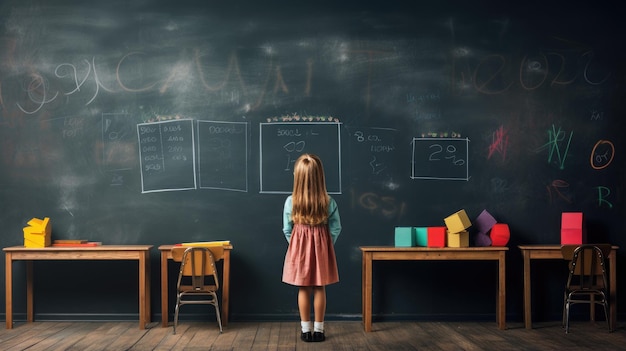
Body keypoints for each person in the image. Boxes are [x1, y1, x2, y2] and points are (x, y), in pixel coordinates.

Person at [282, 153, 341, 343]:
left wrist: (297, 247)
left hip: (299, 250)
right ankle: (319, 330)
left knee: (304, 288)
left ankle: (305, 330)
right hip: (322, 248)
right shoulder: (328, 201)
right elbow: (336, 227)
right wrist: (325, 245)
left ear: (297, 177)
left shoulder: (291, 202)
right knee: (320, 287)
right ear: (320, 176)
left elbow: (287, 230)